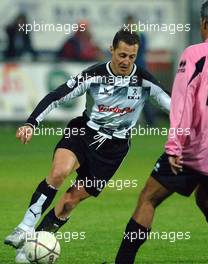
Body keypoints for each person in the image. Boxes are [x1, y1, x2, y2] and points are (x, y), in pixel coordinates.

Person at [4, 28, 170, 263]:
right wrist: (32, 123)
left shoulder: (144, 80)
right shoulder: (93, 75)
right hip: (83, 132)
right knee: (59, 172)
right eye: (122, 55)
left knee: (69, 202)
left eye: (132, 57)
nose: (126, 61)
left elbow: (174, 106)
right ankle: (25, 227)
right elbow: (57, 95)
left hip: (113, 150)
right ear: (112, 50)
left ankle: (32, 249)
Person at [114, 1, 208, 263]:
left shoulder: (195, 54)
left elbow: (182, 103)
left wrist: (174, 147)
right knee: (205, 199)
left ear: (203, 23)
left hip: (195, 149)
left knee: (148, 198)